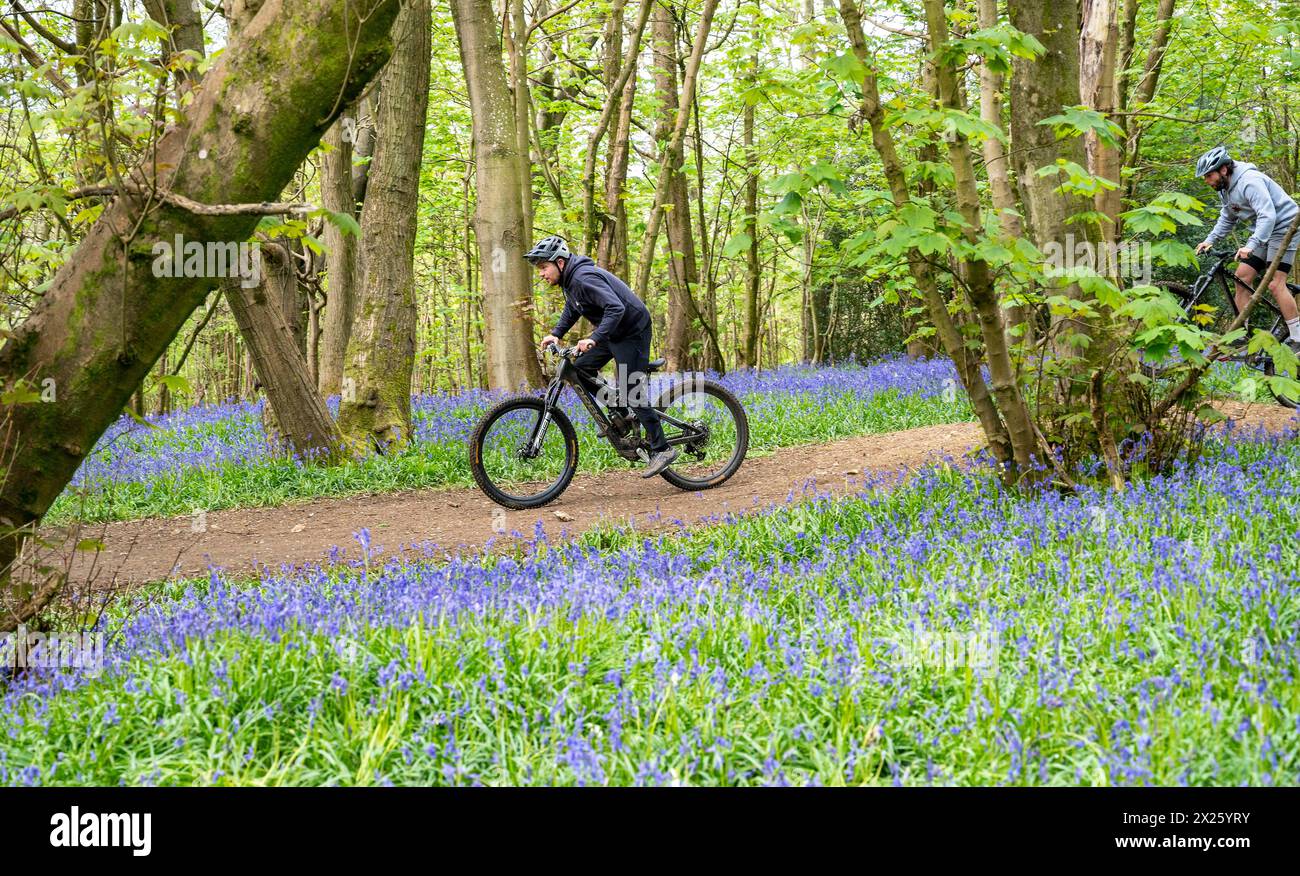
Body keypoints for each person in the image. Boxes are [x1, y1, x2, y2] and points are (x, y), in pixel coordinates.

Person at [526, 235, 680, 477]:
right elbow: (574, 308)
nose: (541, 274)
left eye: (544, 267)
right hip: (613, 331)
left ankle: (662, 448)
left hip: (632, 330)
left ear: (560, 263)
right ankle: (621, 412)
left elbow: (616, 307)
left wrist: (594, 338)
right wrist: (556, 334)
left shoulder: (583, 278)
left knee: (631, 390)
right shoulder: (570, 282)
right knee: (581, 370)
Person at [1193, 146, 1300, 350]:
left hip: (1286, 227)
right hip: (1264, 231)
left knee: (1275, 284)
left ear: (1223, 169)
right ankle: (1242, 334)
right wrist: (1210, 240)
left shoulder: (1250, 181)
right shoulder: (1224, 189)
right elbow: (1227, 217)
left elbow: (1268, 215)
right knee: (1242, 278)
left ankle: (1298, 338)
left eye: (1208, 175)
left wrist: (1251, 245)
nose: (1207, 181)